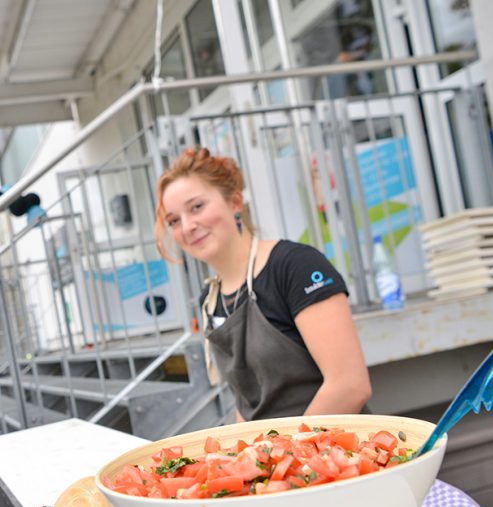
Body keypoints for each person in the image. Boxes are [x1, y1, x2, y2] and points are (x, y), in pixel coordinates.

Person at [155, 147, 372, 421]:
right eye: (173, 220)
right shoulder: (211, 299)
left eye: (197, 207)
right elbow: (247, 404)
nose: (187, 226)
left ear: (234, 202)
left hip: (333, 453)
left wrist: (281, 458)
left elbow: (349, 387)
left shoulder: (295, 266)